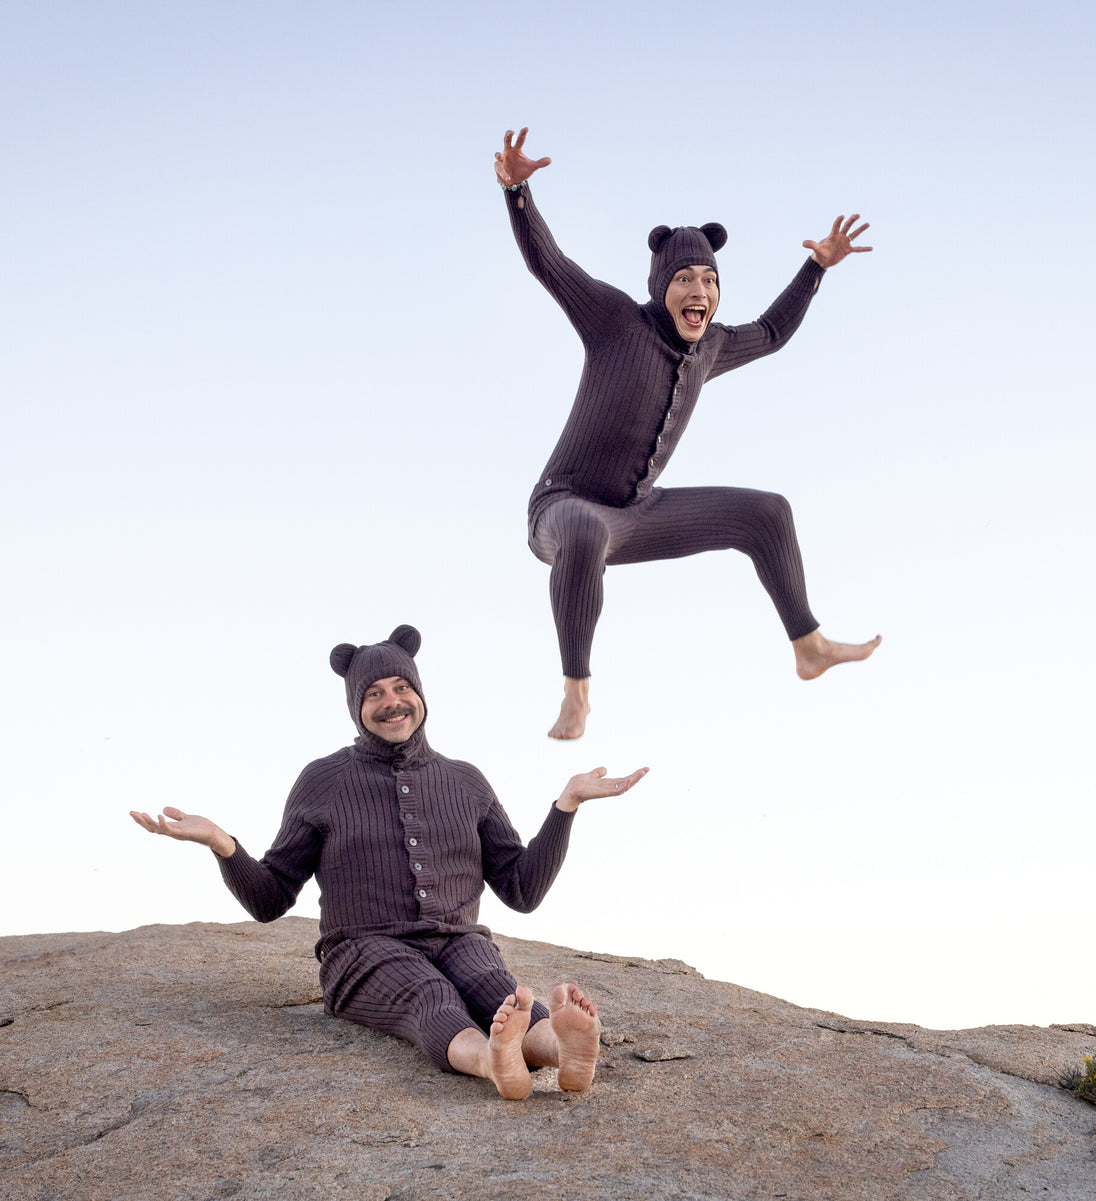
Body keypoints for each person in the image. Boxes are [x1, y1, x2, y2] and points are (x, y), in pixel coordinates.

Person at [130, 623, 647, 1100]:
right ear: (356, 707)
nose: (391, 702)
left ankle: (563, 1051)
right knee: (430, 996)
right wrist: (222, 841)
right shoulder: (323, 781)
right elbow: (270, 899)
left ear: (420, 695)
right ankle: (494, 1062)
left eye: (401, 687)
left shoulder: (465, 780)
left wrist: (566, 806)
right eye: (374, 693)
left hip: (458, 939)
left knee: (496, 990)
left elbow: (521, 890)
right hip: (360, 951)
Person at [495, 127, 882, 740]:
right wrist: (517, 192)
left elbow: (774, 333)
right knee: (584, 528)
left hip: (639, 514)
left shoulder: (714, 346)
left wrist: (815, 268)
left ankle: (809, 647)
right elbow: (550, 264)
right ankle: (576, 693)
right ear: (660, 287)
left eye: (709, 280)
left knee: (768, 513)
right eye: (683, 279)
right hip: (562, 509)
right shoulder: (614, 320)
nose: (698, 290)